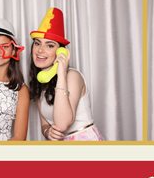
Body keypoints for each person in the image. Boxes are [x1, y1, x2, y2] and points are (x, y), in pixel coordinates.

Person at [29, 7, 104, 141]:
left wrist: (61, 73)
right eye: (37, 43)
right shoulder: (40, 80)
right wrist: (47, 132)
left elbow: (62, 124)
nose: (40, 50)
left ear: (61, 52)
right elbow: (45, 123)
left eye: (50, 45)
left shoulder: (73, 76)